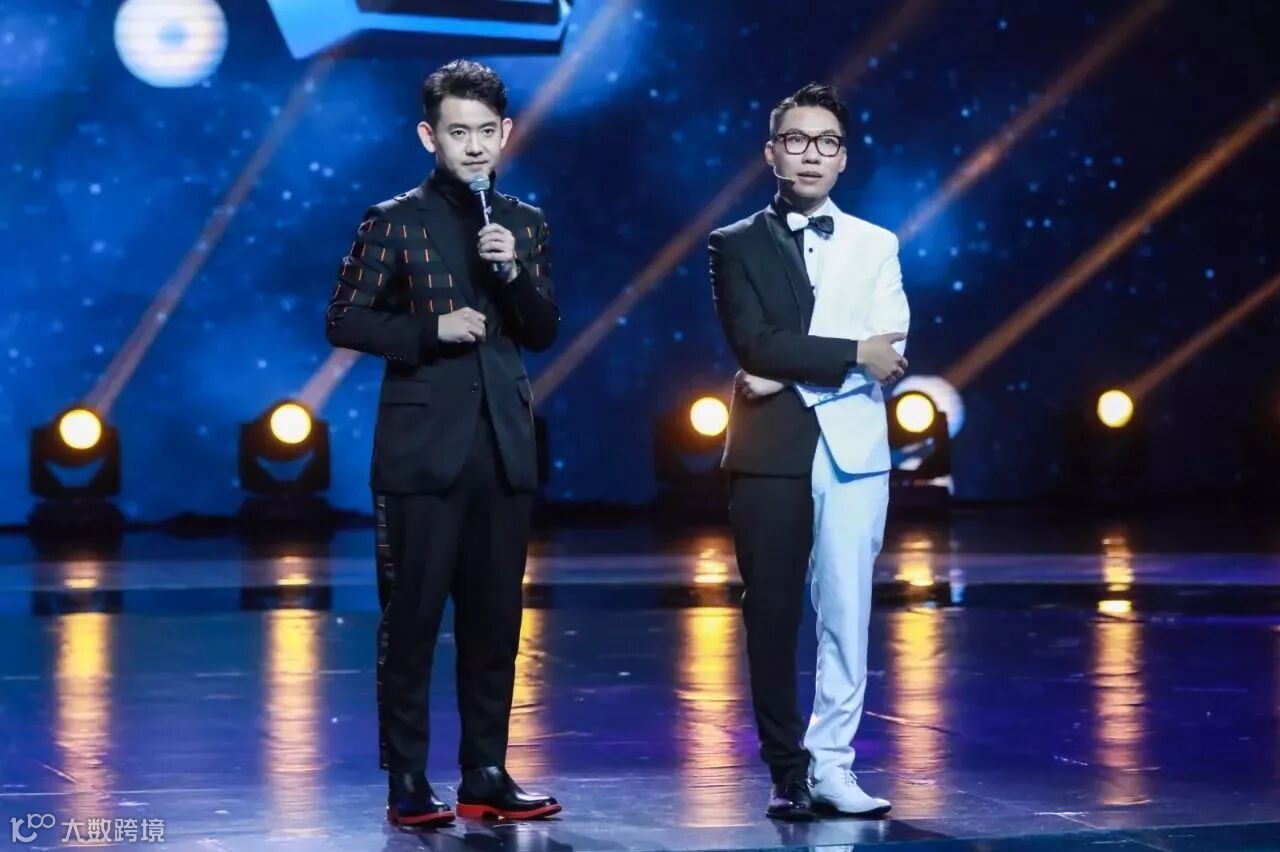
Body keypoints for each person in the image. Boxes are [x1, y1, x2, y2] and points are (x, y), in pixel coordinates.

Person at [325, 58, 561, 827]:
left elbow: (542, 329)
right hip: (421, 451)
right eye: (458, 132)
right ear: (430, 136)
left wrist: (513, 272)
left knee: (495, 622)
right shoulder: (393, 220)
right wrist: (432, 329)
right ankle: (406, 779)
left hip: (503, 447)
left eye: (486, 131)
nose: (474, 146)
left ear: (506, 132)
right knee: (413, 621)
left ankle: (485, 771)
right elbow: (344, 319)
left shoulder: (523, 223)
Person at [708, 82, 909, 821]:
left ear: (844, 157)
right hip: (768, 450)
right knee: (771, 614)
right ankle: (787, 770)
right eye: (796, 140)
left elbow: (891, 351)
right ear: (772, 153)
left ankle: (834, 765)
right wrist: (846, 352)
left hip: (853, 448)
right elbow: (754, 343)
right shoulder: (732, 243)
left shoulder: (877, 244)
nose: (812, 154)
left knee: (847, 612)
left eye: (827, 142)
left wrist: (788, 370)